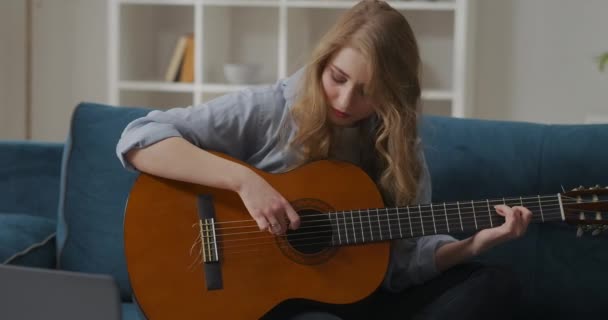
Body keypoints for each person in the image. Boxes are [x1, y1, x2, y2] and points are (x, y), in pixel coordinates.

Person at [116, 1, 532, 319]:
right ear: (323, 62)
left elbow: (401, 269)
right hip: (275, 301)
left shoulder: (400, 150)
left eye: (368, 91)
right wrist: (245, 182)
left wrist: (472, 244)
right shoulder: (268, 109)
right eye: (338, 78)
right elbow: (139, 139)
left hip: (352, 297)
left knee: (497, 286)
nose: (346, 101)